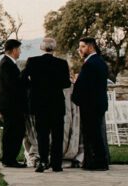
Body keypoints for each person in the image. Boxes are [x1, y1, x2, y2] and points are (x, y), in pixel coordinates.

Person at [21, 37, 71, 172]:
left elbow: (23, 78)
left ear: (41, 48)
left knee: (42, 135)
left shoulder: (33, 61)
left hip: (39, 104)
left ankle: (43, 161)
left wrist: (34, 85)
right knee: (57, 135)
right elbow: (66, 83)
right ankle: (56, 164)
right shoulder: (62, 63)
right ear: (54, 48)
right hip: (56, 103)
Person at [71, 37, 110, 171]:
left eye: (82, 47)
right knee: (95, 133)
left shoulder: (90, 64)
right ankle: (95, 161)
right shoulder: (100, 62)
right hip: (97, 103)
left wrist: (76, 97)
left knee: (92, 134)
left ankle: (98, 162)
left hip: (90, 104)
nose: (79, 50)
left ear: (91, 47)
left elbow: (84, 86)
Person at [0, 39, 28, 168]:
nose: (20, 52)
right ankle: (9, 159)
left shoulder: (7, 63)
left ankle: (9, 158)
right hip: (10, 104)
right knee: (14, 131)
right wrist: (26, 73)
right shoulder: (7, 64)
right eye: (19, 49)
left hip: (10, 103)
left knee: (13, 130)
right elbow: (14, 85)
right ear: (14, 50)